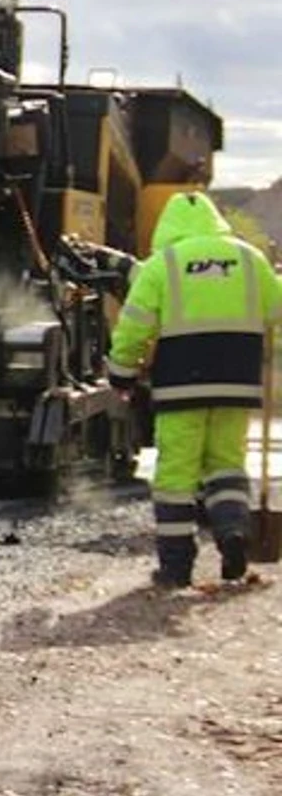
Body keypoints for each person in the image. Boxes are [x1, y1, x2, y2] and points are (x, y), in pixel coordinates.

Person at [102, 191, 282, 588]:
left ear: (168, 228)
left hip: (181, 387)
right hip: (237, 386)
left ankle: (176, 567)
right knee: (226, 465)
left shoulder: (161, 266)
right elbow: (276, 311)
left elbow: (133, 328)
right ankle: (234, 532)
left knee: (176, 477)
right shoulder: (251, 260)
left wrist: (121, 374)